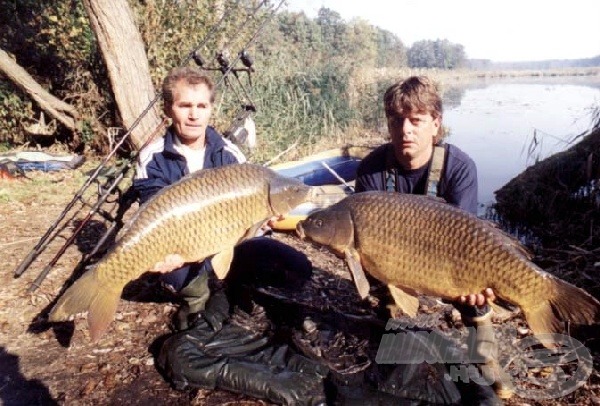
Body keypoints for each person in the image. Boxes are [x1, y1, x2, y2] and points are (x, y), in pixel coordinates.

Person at [355, 76, 512, 399]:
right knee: (376, 272)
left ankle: (485, 358)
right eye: (397, 121)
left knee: (475, 293)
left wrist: (470, 286)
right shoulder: (371, 168)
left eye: (416, 120)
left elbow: (468, 240)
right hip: (394, 258)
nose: (405, 130)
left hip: (449, 260)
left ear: (435, 124)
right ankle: (392, 329)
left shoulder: (458, 167)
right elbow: (365, 239)